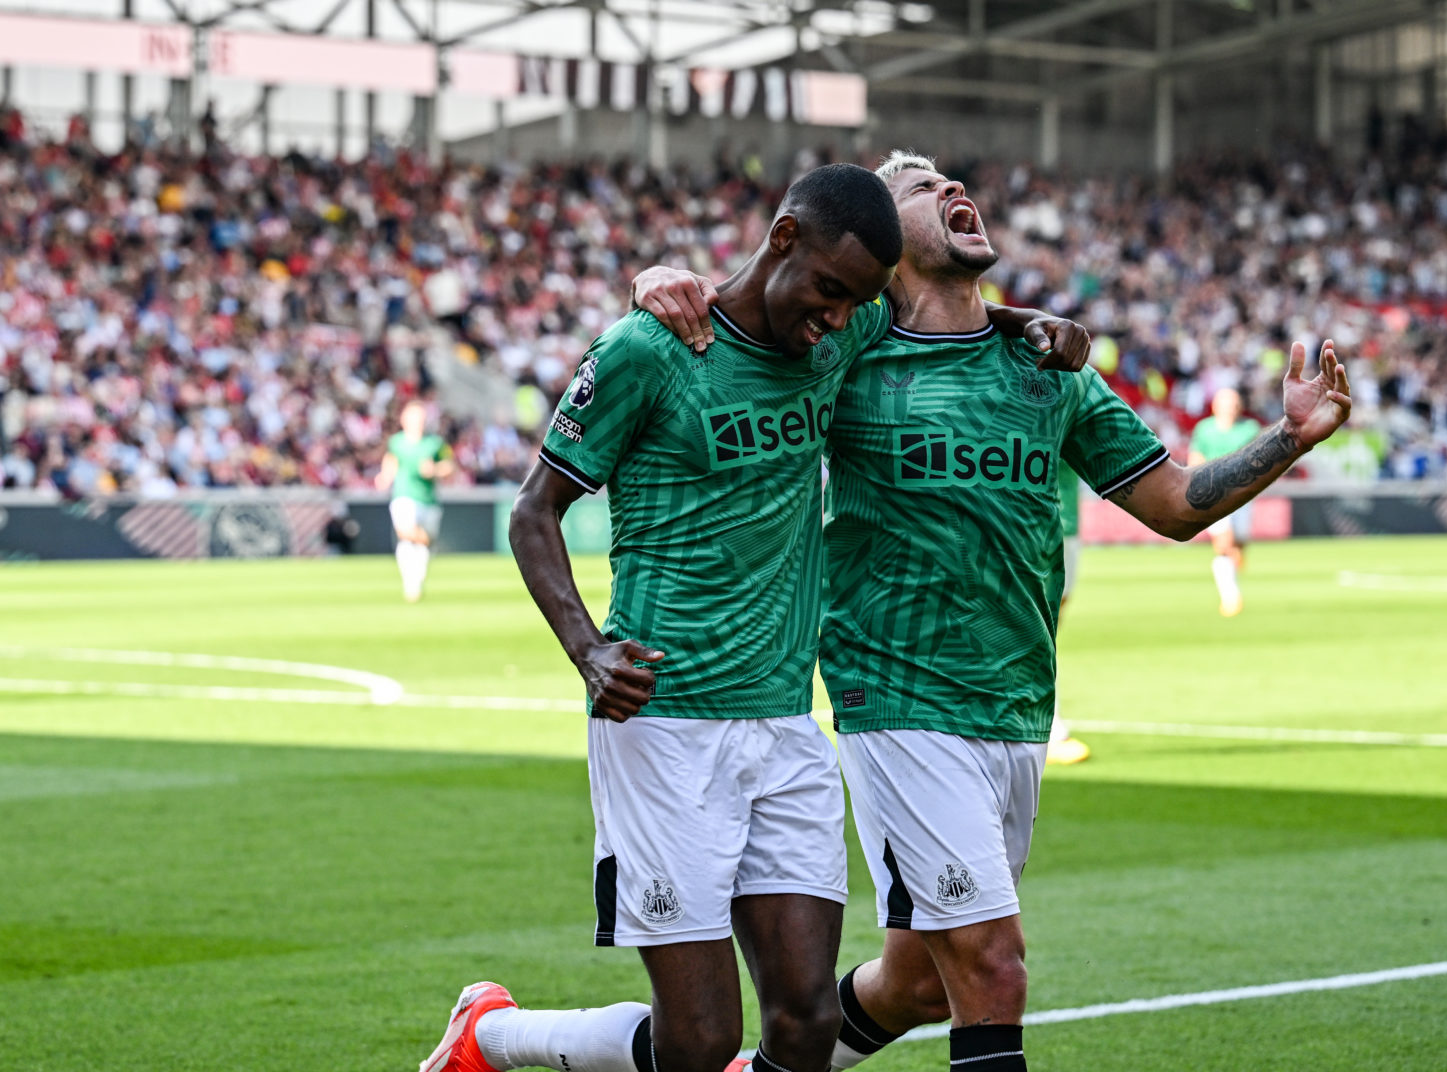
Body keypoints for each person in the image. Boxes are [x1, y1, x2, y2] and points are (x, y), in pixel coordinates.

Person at [637, 150, 1351, 1072]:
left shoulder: (1048, 369)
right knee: (994, 968)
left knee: (918, 983)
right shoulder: (846, 355)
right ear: (883, 245)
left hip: (1014, 706)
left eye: (950, 181)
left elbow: (1175, 505)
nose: (951, 189)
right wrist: (660, 281)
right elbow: (737, 318)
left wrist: (1288, 437)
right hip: (896, 701)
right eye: (922, 190)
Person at [416, 164, 906, 1072]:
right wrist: (587, 650)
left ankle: (487, 1037)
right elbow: (534, 511)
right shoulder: (651, 349)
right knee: (704, 1037)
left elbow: (928, 297)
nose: (838, 319)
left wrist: (1025, 326)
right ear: (784, 237)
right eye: (830, 293)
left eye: (857, 302)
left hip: (786, 722)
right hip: (663, 726)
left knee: (806, 1024)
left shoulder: (841, 331)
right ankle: (490, 1036)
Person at [1187, 387, 1263, 616]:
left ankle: (1236, 557)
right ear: (1215, 406)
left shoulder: (1249, 429)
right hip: (1214, 495)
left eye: (1234, 403)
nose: (1230, 407)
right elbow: (1196, 457)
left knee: (1239, 542)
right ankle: (1230, 598)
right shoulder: (1205, 429)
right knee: (1224, 544)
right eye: (1225, 402)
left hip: (1241, 495)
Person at [376, 400, 455, 603]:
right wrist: (384, 477)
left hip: (428, 499)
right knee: (406, 534)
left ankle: (417, 580)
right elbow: (391, 460)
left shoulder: (435, 443)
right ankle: (409, 583)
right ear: (404, 419)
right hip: (403, 495)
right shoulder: (397, 442)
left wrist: (435, 470)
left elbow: (450, 466)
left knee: (424, 543)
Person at [1045, 463, 1090, 766]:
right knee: (1041, 631)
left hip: (1067, 526)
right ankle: (1048, 728)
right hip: (1040, 527)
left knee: (1050, 629)